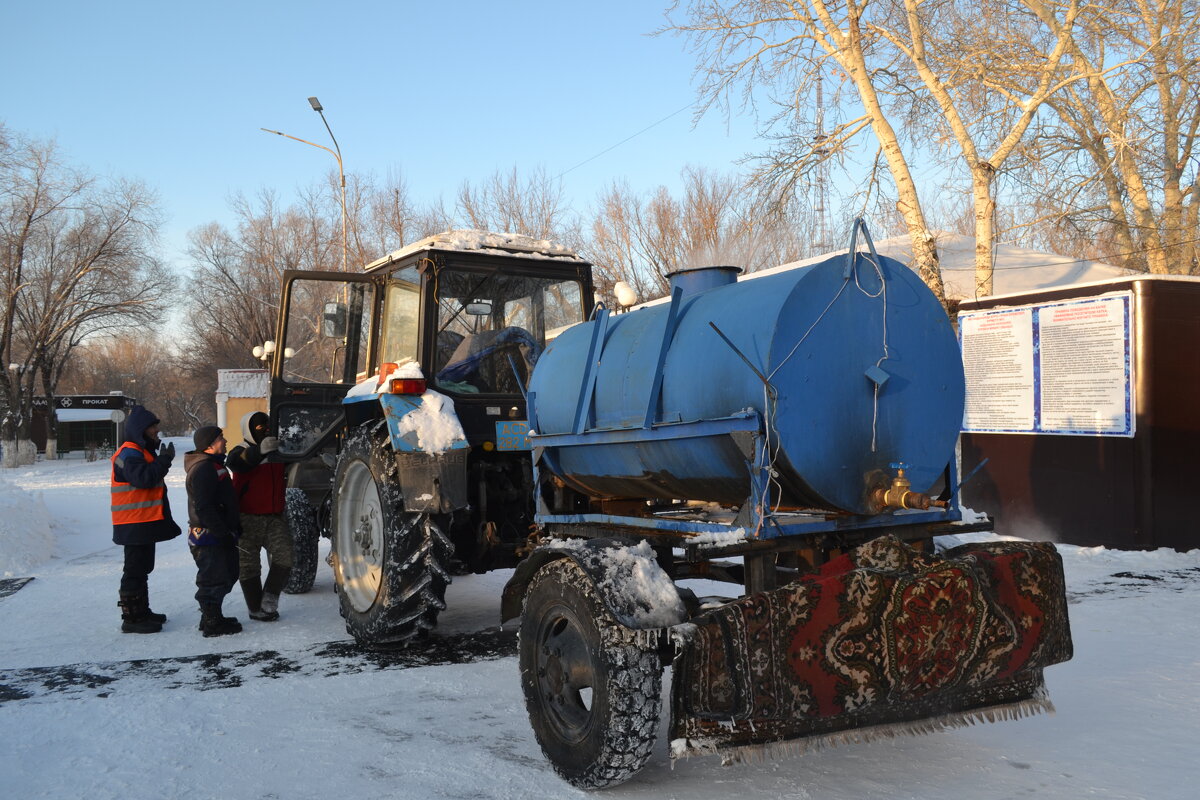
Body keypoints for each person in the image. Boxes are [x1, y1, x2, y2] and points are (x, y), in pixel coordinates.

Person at [111, 405, 181, 634]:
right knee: (134, 570)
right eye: (152, 427)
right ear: (140, 429)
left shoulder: (139, 452)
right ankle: (132, 619)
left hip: (141, 522)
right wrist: (164, 461)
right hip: (133, 522)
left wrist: (160, 460)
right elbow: (144, 479)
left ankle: (142, 611)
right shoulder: (128, 453)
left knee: (142, 568)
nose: (155, 431)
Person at [226, 411, 291, 621]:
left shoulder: (278, 451)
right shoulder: (241, 450)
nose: (265, 430)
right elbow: (236, 462)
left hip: (274, 517)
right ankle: (255, 608)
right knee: (248, 566)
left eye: (268, 425)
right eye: (260, 427)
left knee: (285, 557)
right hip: (246, 518)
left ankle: (269, 600)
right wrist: (259, 452)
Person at [184, 425, 243, 637]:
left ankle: (211, 615)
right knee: (214, 578)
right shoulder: (203, 469)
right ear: (209, 445)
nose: (225, 441)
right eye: (220, 438)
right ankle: (212, 622)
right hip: (209, 537)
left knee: (228, 573)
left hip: (219, 534)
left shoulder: (213, 465)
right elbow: (204, 506)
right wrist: (221, 532)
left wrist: (234, 525)